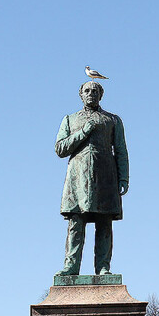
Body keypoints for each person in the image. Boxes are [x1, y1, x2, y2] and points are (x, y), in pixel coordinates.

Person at [55, 81, 129, 275]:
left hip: (106, 176)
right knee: (76, 224)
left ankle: (103, 267)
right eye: (87, 90)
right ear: (81, 94)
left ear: (100, 95)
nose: (91, 93)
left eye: (95, 91)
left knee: (104, 223)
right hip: (77, 179)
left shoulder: (113, 120)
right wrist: (84, 132)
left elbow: (121, 150)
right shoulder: (70, 119)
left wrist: (124, 178)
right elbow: (60, 149)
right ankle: (70, 267)